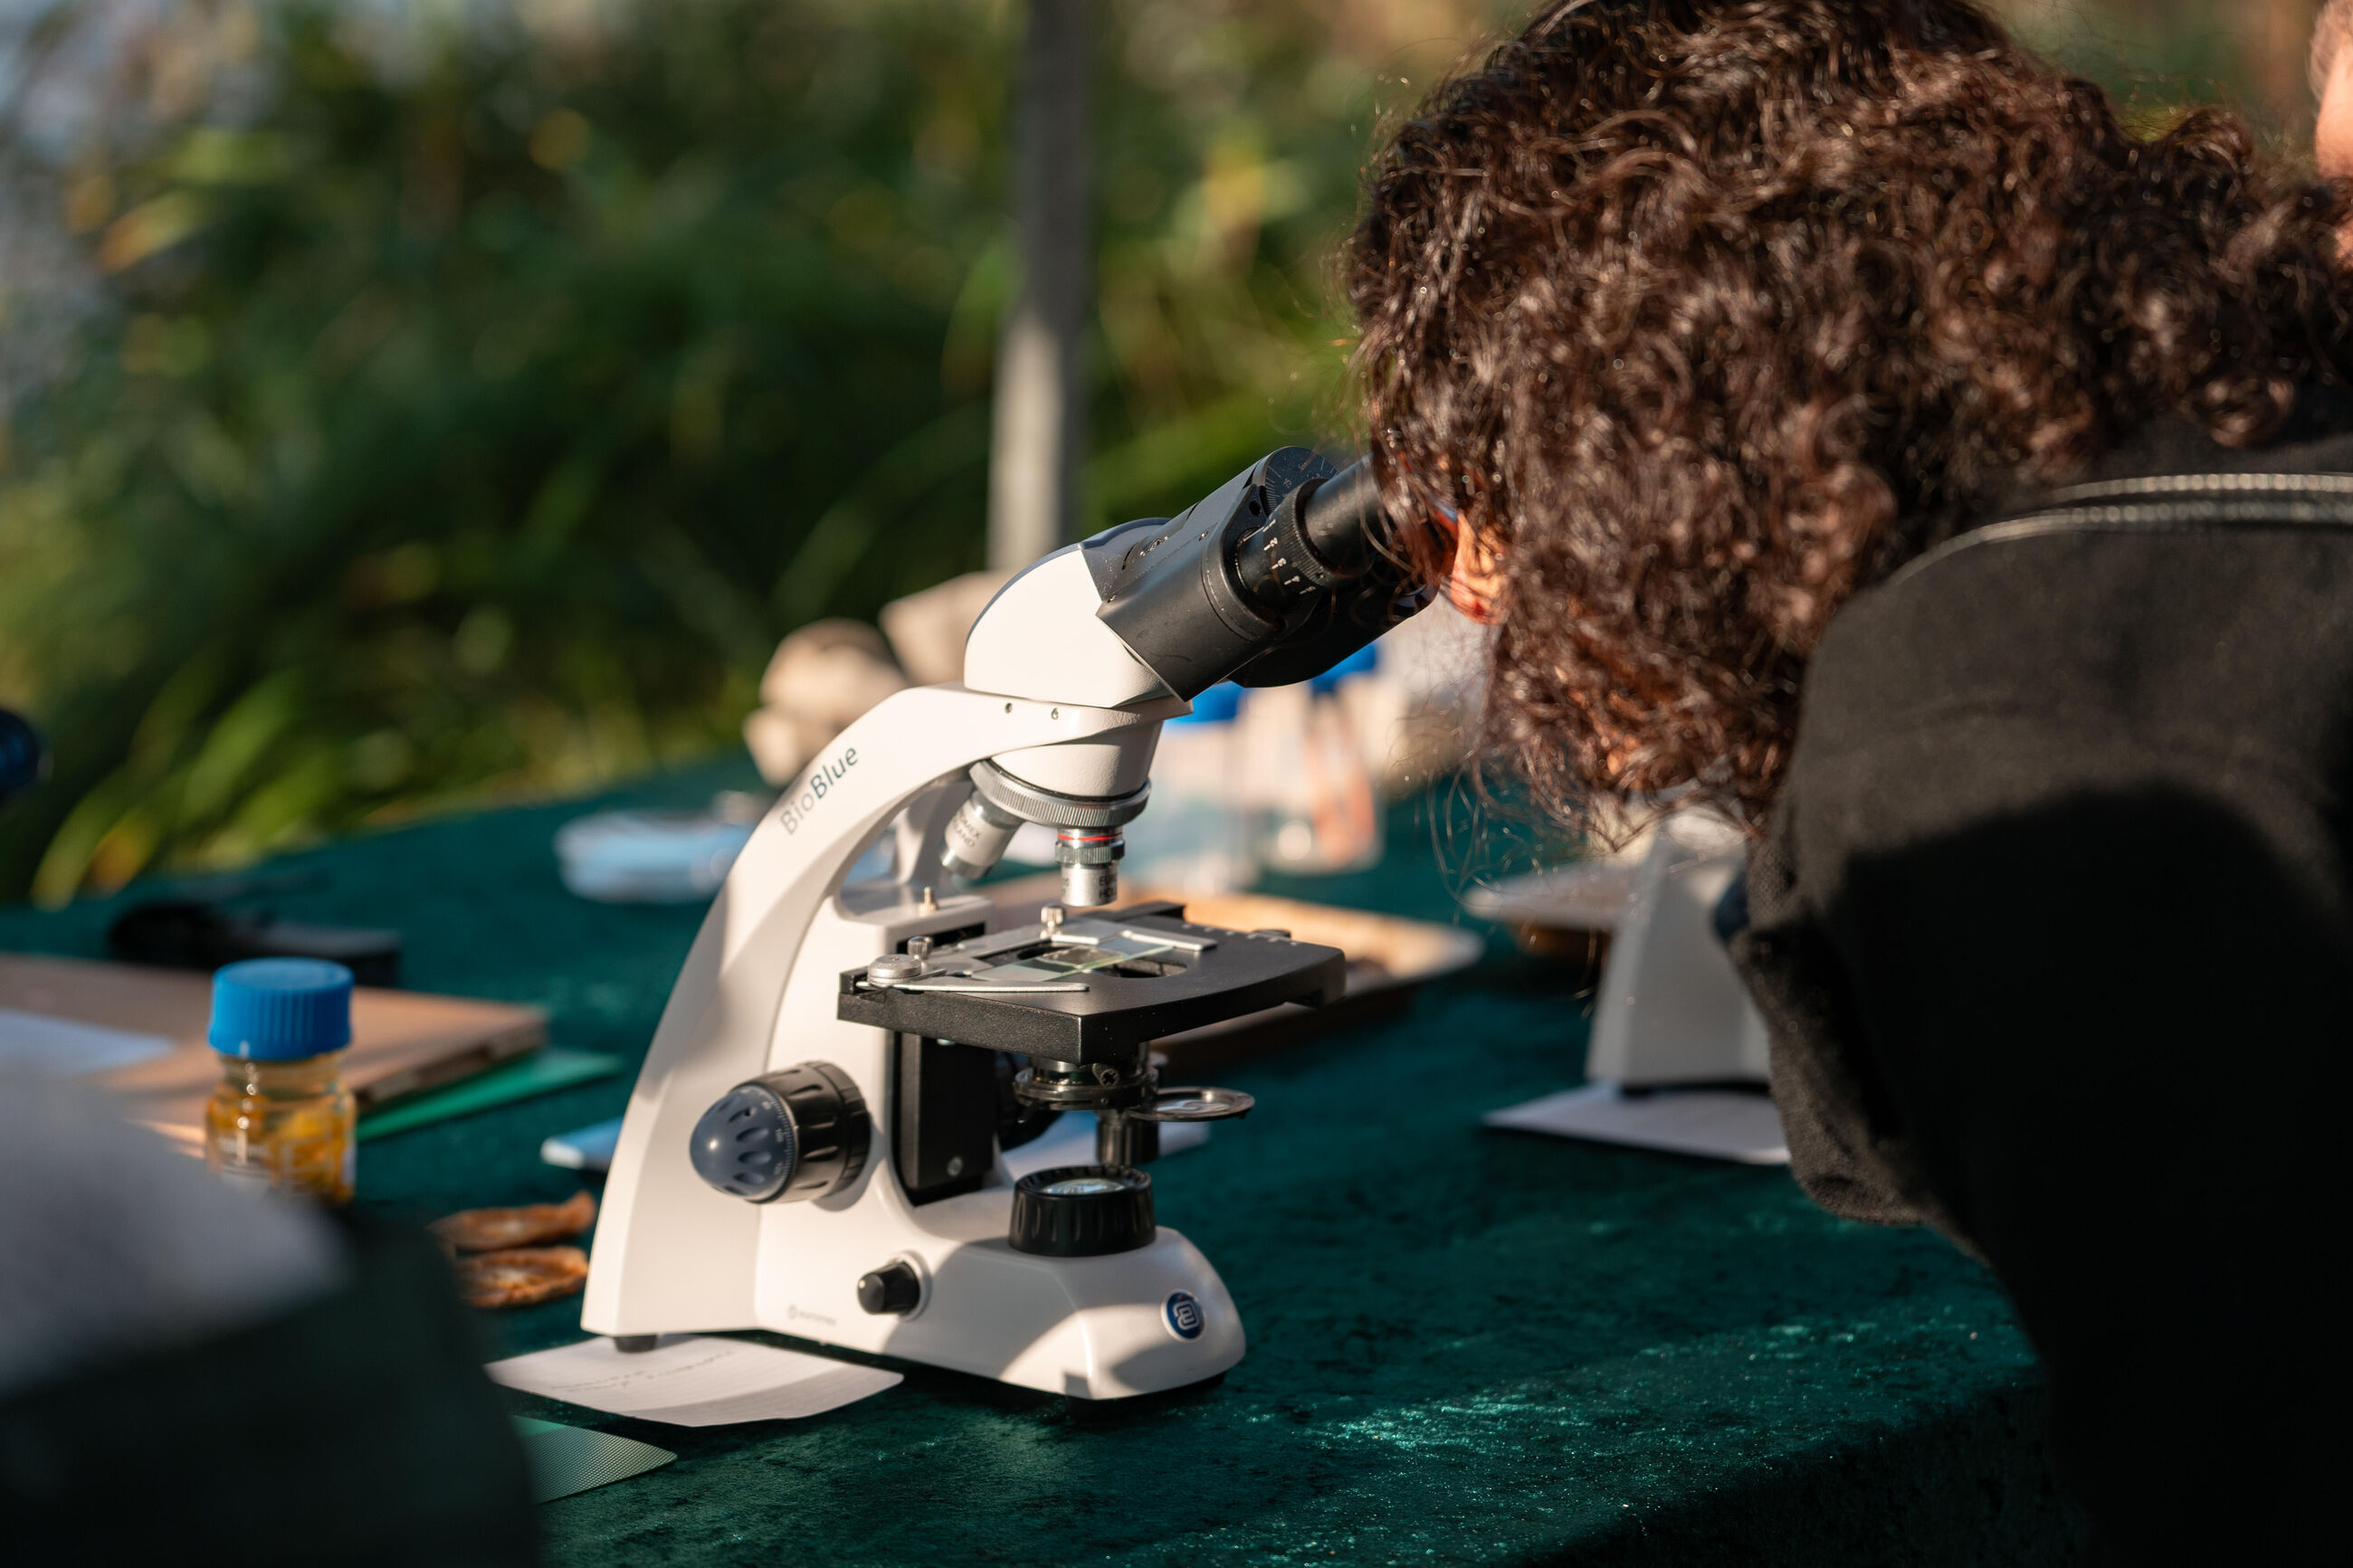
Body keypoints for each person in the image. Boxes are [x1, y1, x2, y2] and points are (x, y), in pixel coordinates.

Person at [1346, 2, 2350, 1561]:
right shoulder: (2250, 448)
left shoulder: (1987, 745)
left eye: (1492, 475)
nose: (1473, 591)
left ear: (1650, 417)